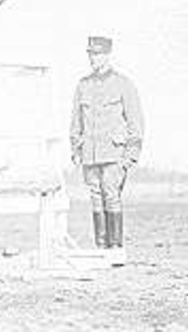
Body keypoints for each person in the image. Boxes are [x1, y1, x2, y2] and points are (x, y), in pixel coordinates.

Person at [69, 35, 144, 265]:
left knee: (111, 196)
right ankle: (100, 248)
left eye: (98, 54)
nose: (94, 58)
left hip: (113, 154)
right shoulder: (83, 85)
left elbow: (136, 122)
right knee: (95, 198)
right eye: (91, 54)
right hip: (90, 154)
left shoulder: (123, 84)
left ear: (108, 55)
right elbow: (76, 122)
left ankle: (115, 249)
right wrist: (76, 149)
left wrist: (130, 156)